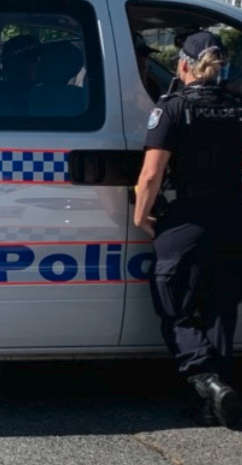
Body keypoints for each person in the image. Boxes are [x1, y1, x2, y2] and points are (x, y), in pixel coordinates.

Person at [135, 31, 242, 429]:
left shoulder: (173, 108)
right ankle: (212, 404)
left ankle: (206, 379)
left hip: (189, 219)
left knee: (174, 306)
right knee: (220, 311)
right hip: (233, 217)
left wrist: (141, 215)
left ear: (182, 64)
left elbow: (150, 175)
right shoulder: (237, 107)